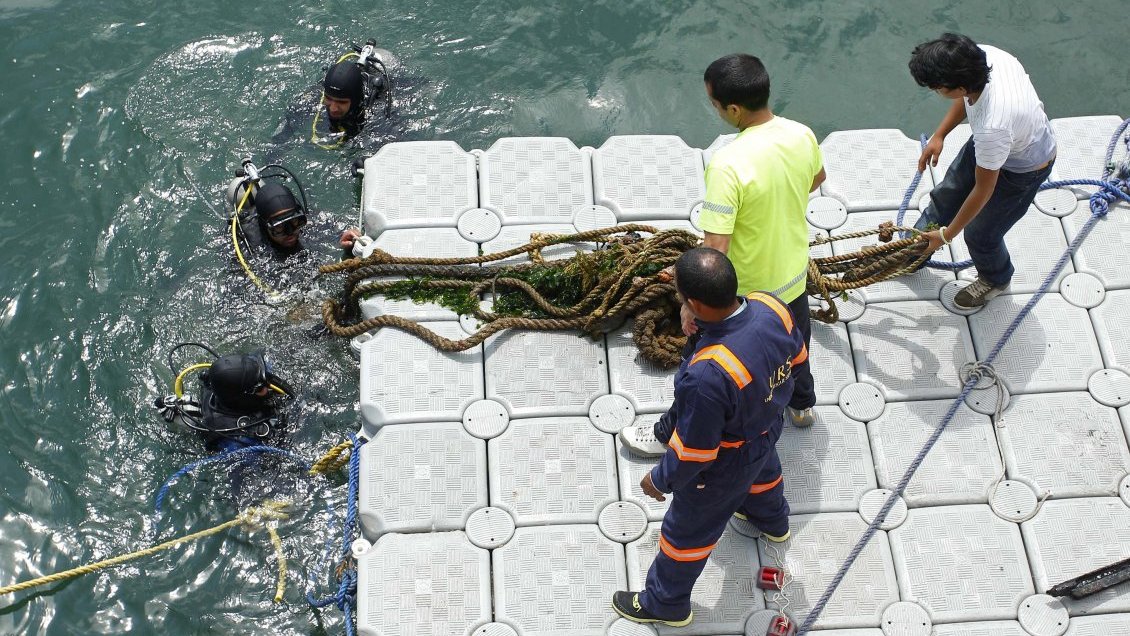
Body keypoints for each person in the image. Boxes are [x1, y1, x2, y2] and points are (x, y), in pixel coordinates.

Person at [611, 248, 806, 627]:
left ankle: (665, 604)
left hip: (725, 464)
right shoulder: (772, 306)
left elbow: (695, 453)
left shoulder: (708, 375)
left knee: (686, 533)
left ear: (696, 304)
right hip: (766, 428)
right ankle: (773, 523)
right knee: (764, 476)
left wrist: (659, 480)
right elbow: (798, 360)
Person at [909, 33, 1056, 309]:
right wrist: (939, 135)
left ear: (958, 86)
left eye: (937, 88)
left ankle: (995, 278)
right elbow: (968, 98)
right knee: (947, 194)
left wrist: (946, 236)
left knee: (981, 233)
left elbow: (983, 190)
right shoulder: (984, 58)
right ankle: (914, 250)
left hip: (1024, 168)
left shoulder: (992, 128)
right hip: (999, 142)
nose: (936, 92)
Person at [271, 41, 397, 149]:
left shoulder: (377, 108)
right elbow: (287, 125)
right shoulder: (315, 95)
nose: (333, 108)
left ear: (355, 100)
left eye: (341, 102)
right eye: (329, 99)